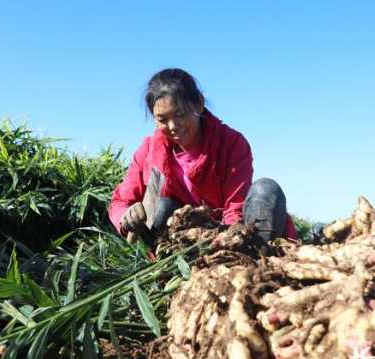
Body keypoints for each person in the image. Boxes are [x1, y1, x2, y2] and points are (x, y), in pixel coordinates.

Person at [108, 68, 297, 245]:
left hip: (234, 235)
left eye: (180, 114)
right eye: (163, 119)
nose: (173, 126)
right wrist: (126, 218)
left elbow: (235, 208)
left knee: (265, 190)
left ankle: (261, 259)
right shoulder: (148, 151)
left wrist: (227, 247)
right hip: (185, 244)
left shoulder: (231, 143)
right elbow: (120, 202)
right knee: (161, 207)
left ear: (198, 104)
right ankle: (175, 271)